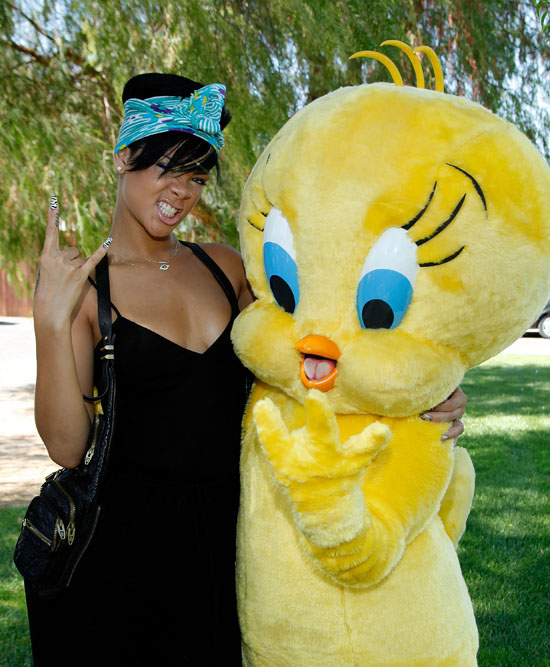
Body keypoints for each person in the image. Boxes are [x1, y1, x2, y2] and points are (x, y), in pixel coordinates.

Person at [25, 72, 467, 666]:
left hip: (226, 536)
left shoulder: (225, 268)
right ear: (125, 155)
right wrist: (50, 324)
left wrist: (429, 396)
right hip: (121, 551)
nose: (182, 191)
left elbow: (313, 357)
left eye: (197, 176)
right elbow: (67, 446)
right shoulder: (86, 292)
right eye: (167, 167)